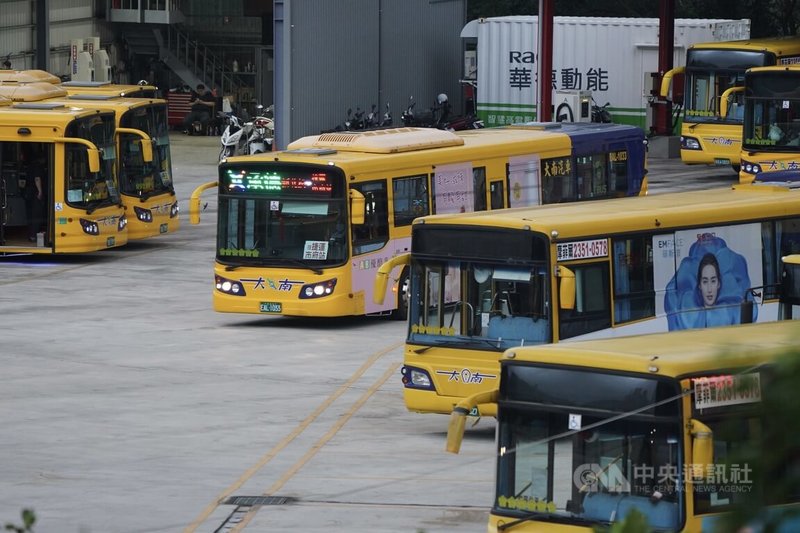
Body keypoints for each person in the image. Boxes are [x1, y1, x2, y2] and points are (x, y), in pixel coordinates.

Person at [24, 153, 47, 243]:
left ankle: (31, 234)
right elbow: (37, 178)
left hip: (29, 193)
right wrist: (40, 191)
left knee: (31, 214)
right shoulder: (38, 167)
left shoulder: (30, 166)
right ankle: (34, 236)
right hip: (35, 194)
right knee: (37, 215)